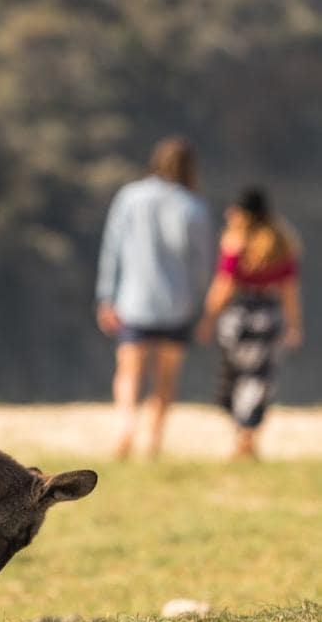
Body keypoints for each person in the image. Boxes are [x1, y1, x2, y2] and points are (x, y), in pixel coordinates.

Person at [95, 137, 213, 459]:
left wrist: (106, 295)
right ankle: (153, 441)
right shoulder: (194, 206)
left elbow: (112, 250)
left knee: (129, 372)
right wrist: (201, 302)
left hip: (133, 301)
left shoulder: (130, 197)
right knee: (166, 377)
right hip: (178, 305)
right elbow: (201, 263)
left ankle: (126, 426)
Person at [197, 187, 303, 460]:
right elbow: (289, 291)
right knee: (259, 378)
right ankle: (248, 434)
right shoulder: (282, 244)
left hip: (238, 318)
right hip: (269, 316)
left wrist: (208, 318)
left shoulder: (236, 244)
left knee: (234, 376)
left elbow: (224, 286)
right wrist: (293, 325)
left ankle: (241, 433)